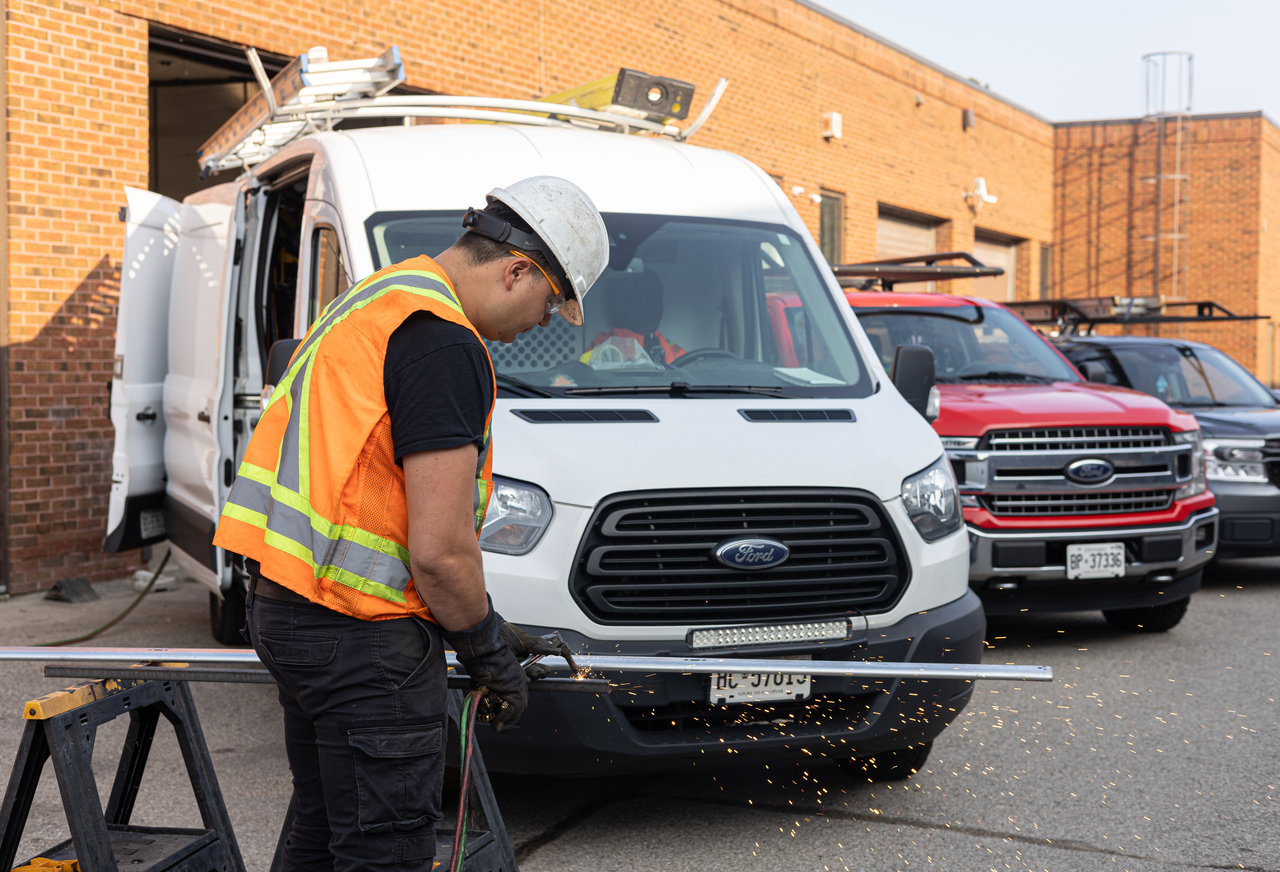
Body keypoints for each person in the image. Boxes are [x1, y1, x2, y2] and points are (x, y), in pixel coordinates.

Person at [212, 176, 609, 872]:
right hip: (360, 641)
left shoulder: (379, 300)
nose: (544, 322)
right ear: (517, 269)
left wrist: (488, 624)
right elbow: (441, 551)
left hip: (290, 611)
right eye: (551, 301)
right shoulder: (442, 343)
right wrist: (485, 645)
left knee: (323, 830)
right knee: (383, 851)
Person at [581, 267, 685, 364]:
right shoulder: (602, 348)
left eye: (651, 298)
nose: (646, 305)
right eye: (640, 298)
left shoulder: (669, 348)